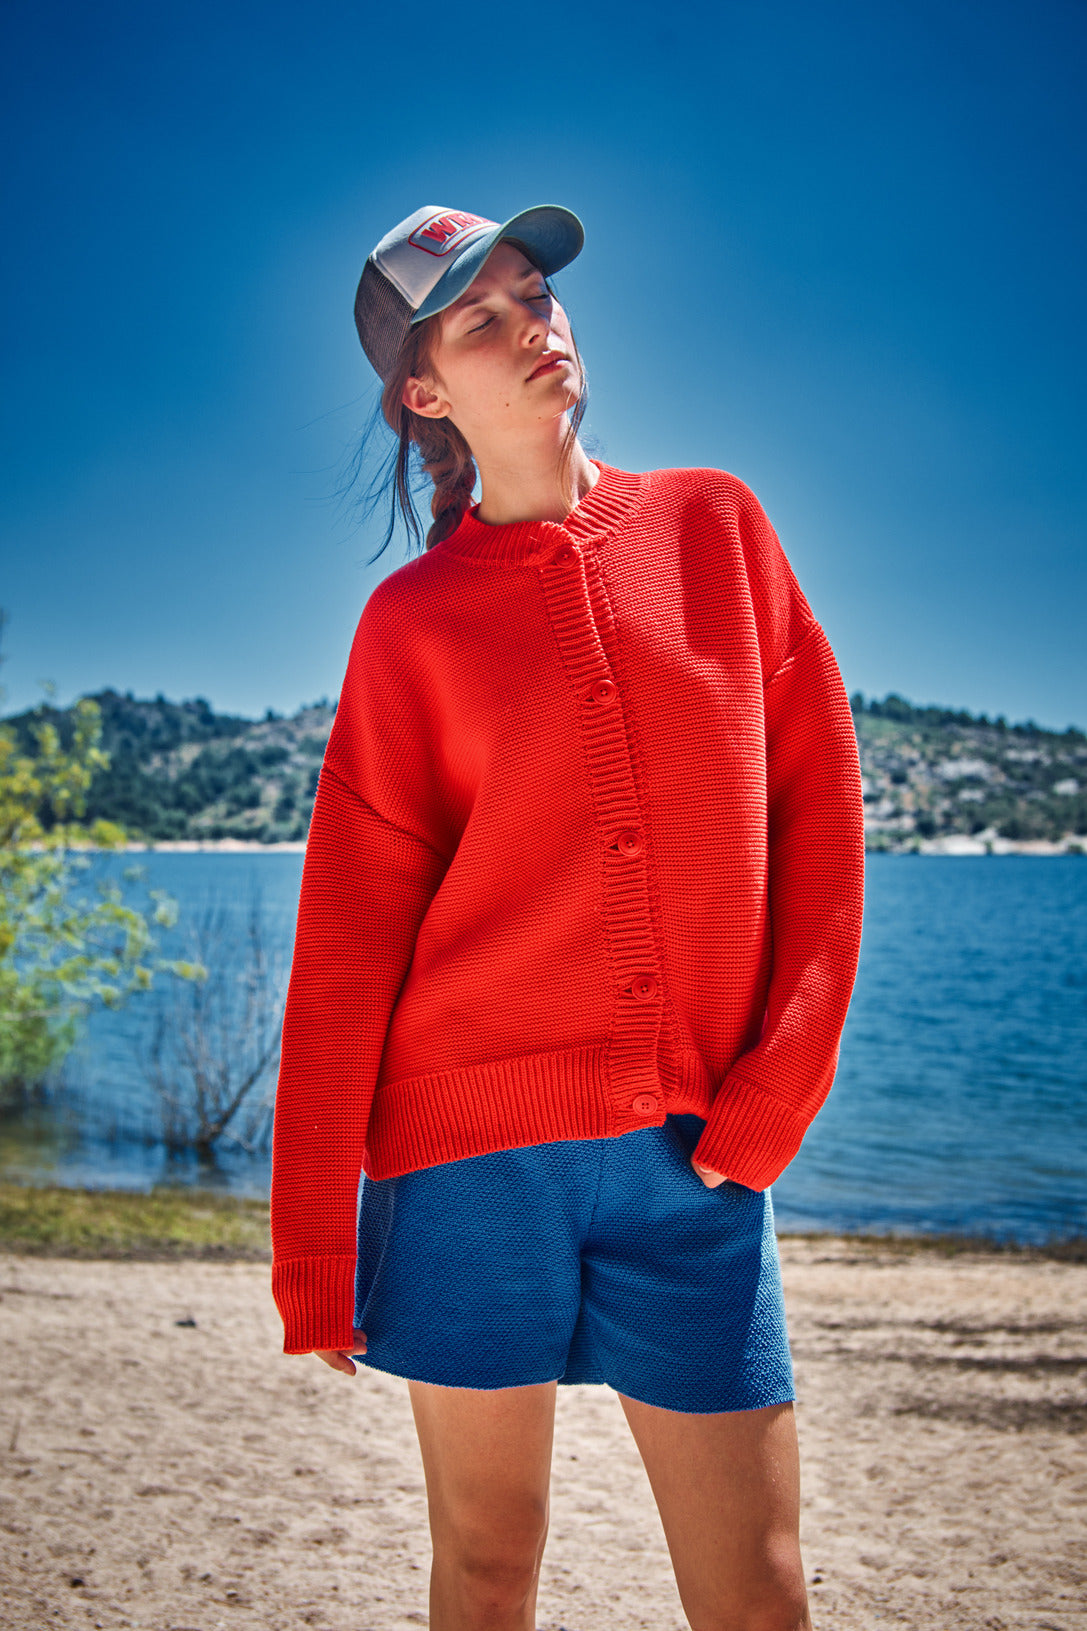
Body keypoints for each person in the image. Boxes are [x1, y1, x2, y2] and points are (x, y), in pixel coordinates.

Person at [270, 201, 865, 1631]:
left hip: (693, 1161)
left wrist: (777, 1094)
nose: (533, 326)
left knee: (759, 1585)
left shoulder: (717, 528)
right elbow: (349, 940)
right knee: (488, 1566)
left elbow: (821, 823)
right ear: (425, 394)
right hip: (466, 1162)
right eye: (480, 319)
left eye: (535, 293)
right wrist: (315, 1244)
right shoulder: (412, 625)